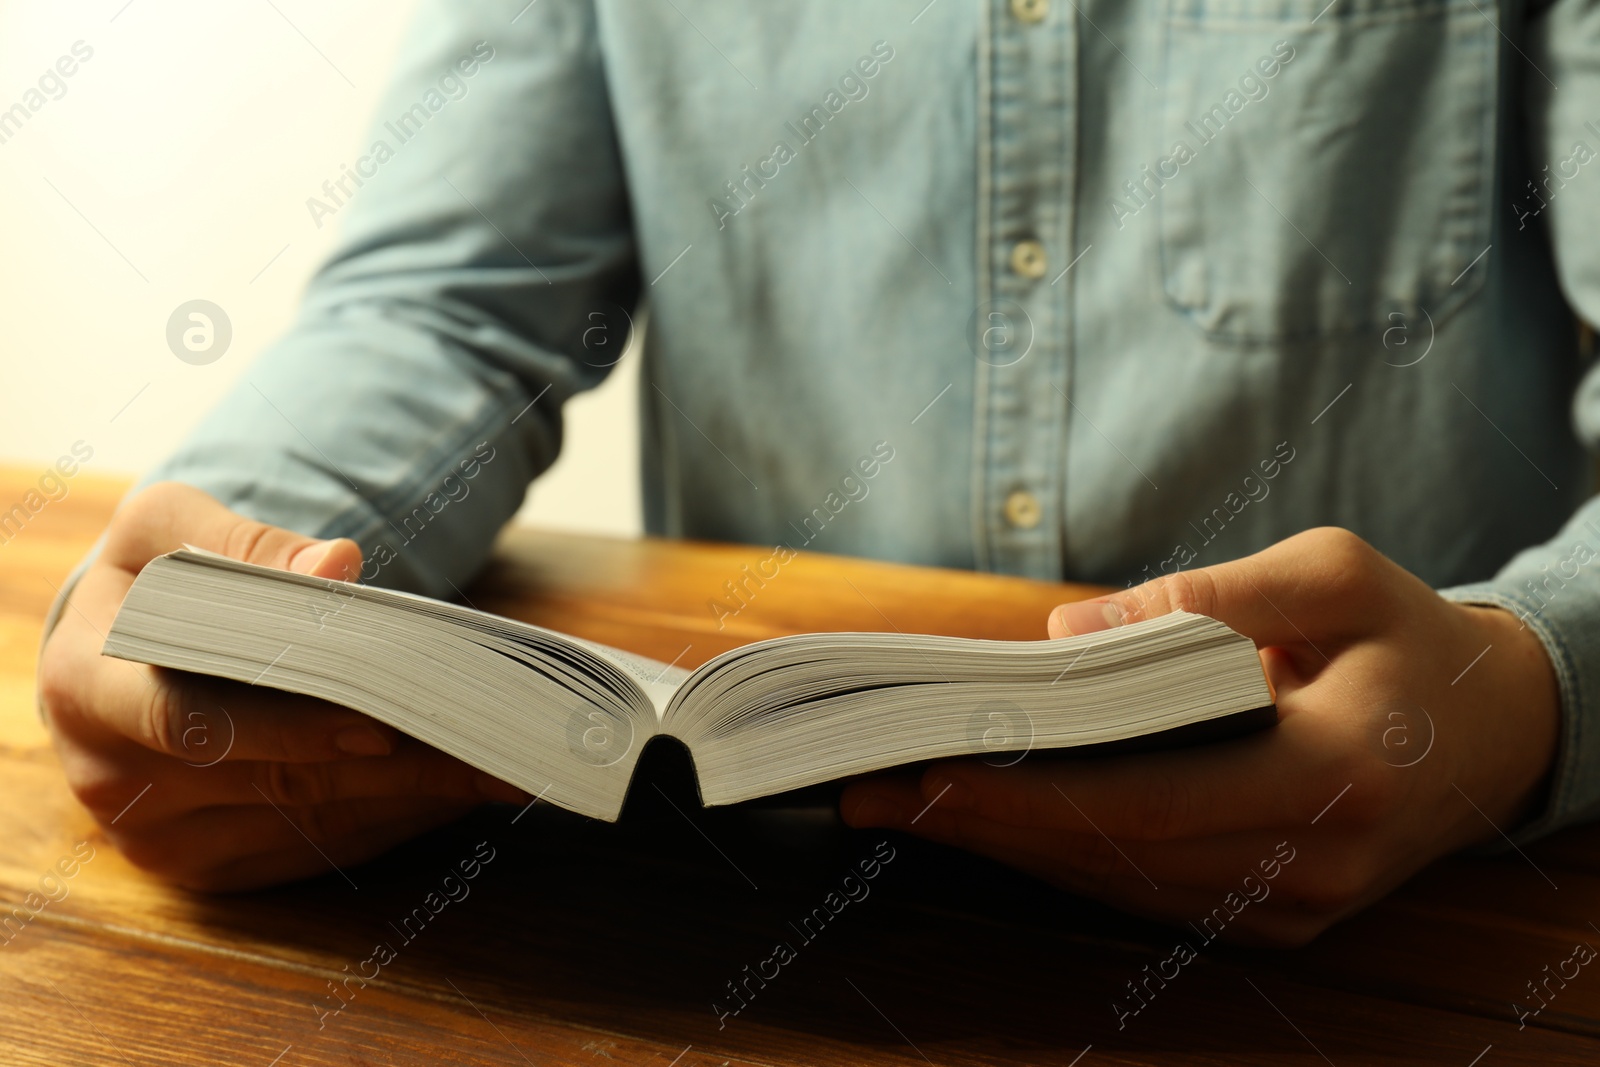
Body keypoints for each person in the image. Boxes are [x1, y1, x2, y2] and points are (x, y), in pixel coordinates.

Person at [35, 0, 1599, 945]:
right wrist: (233, 587)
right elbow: (452, 305)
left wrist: (1529, 695)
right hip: (733, 917)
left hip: (1432, 916)